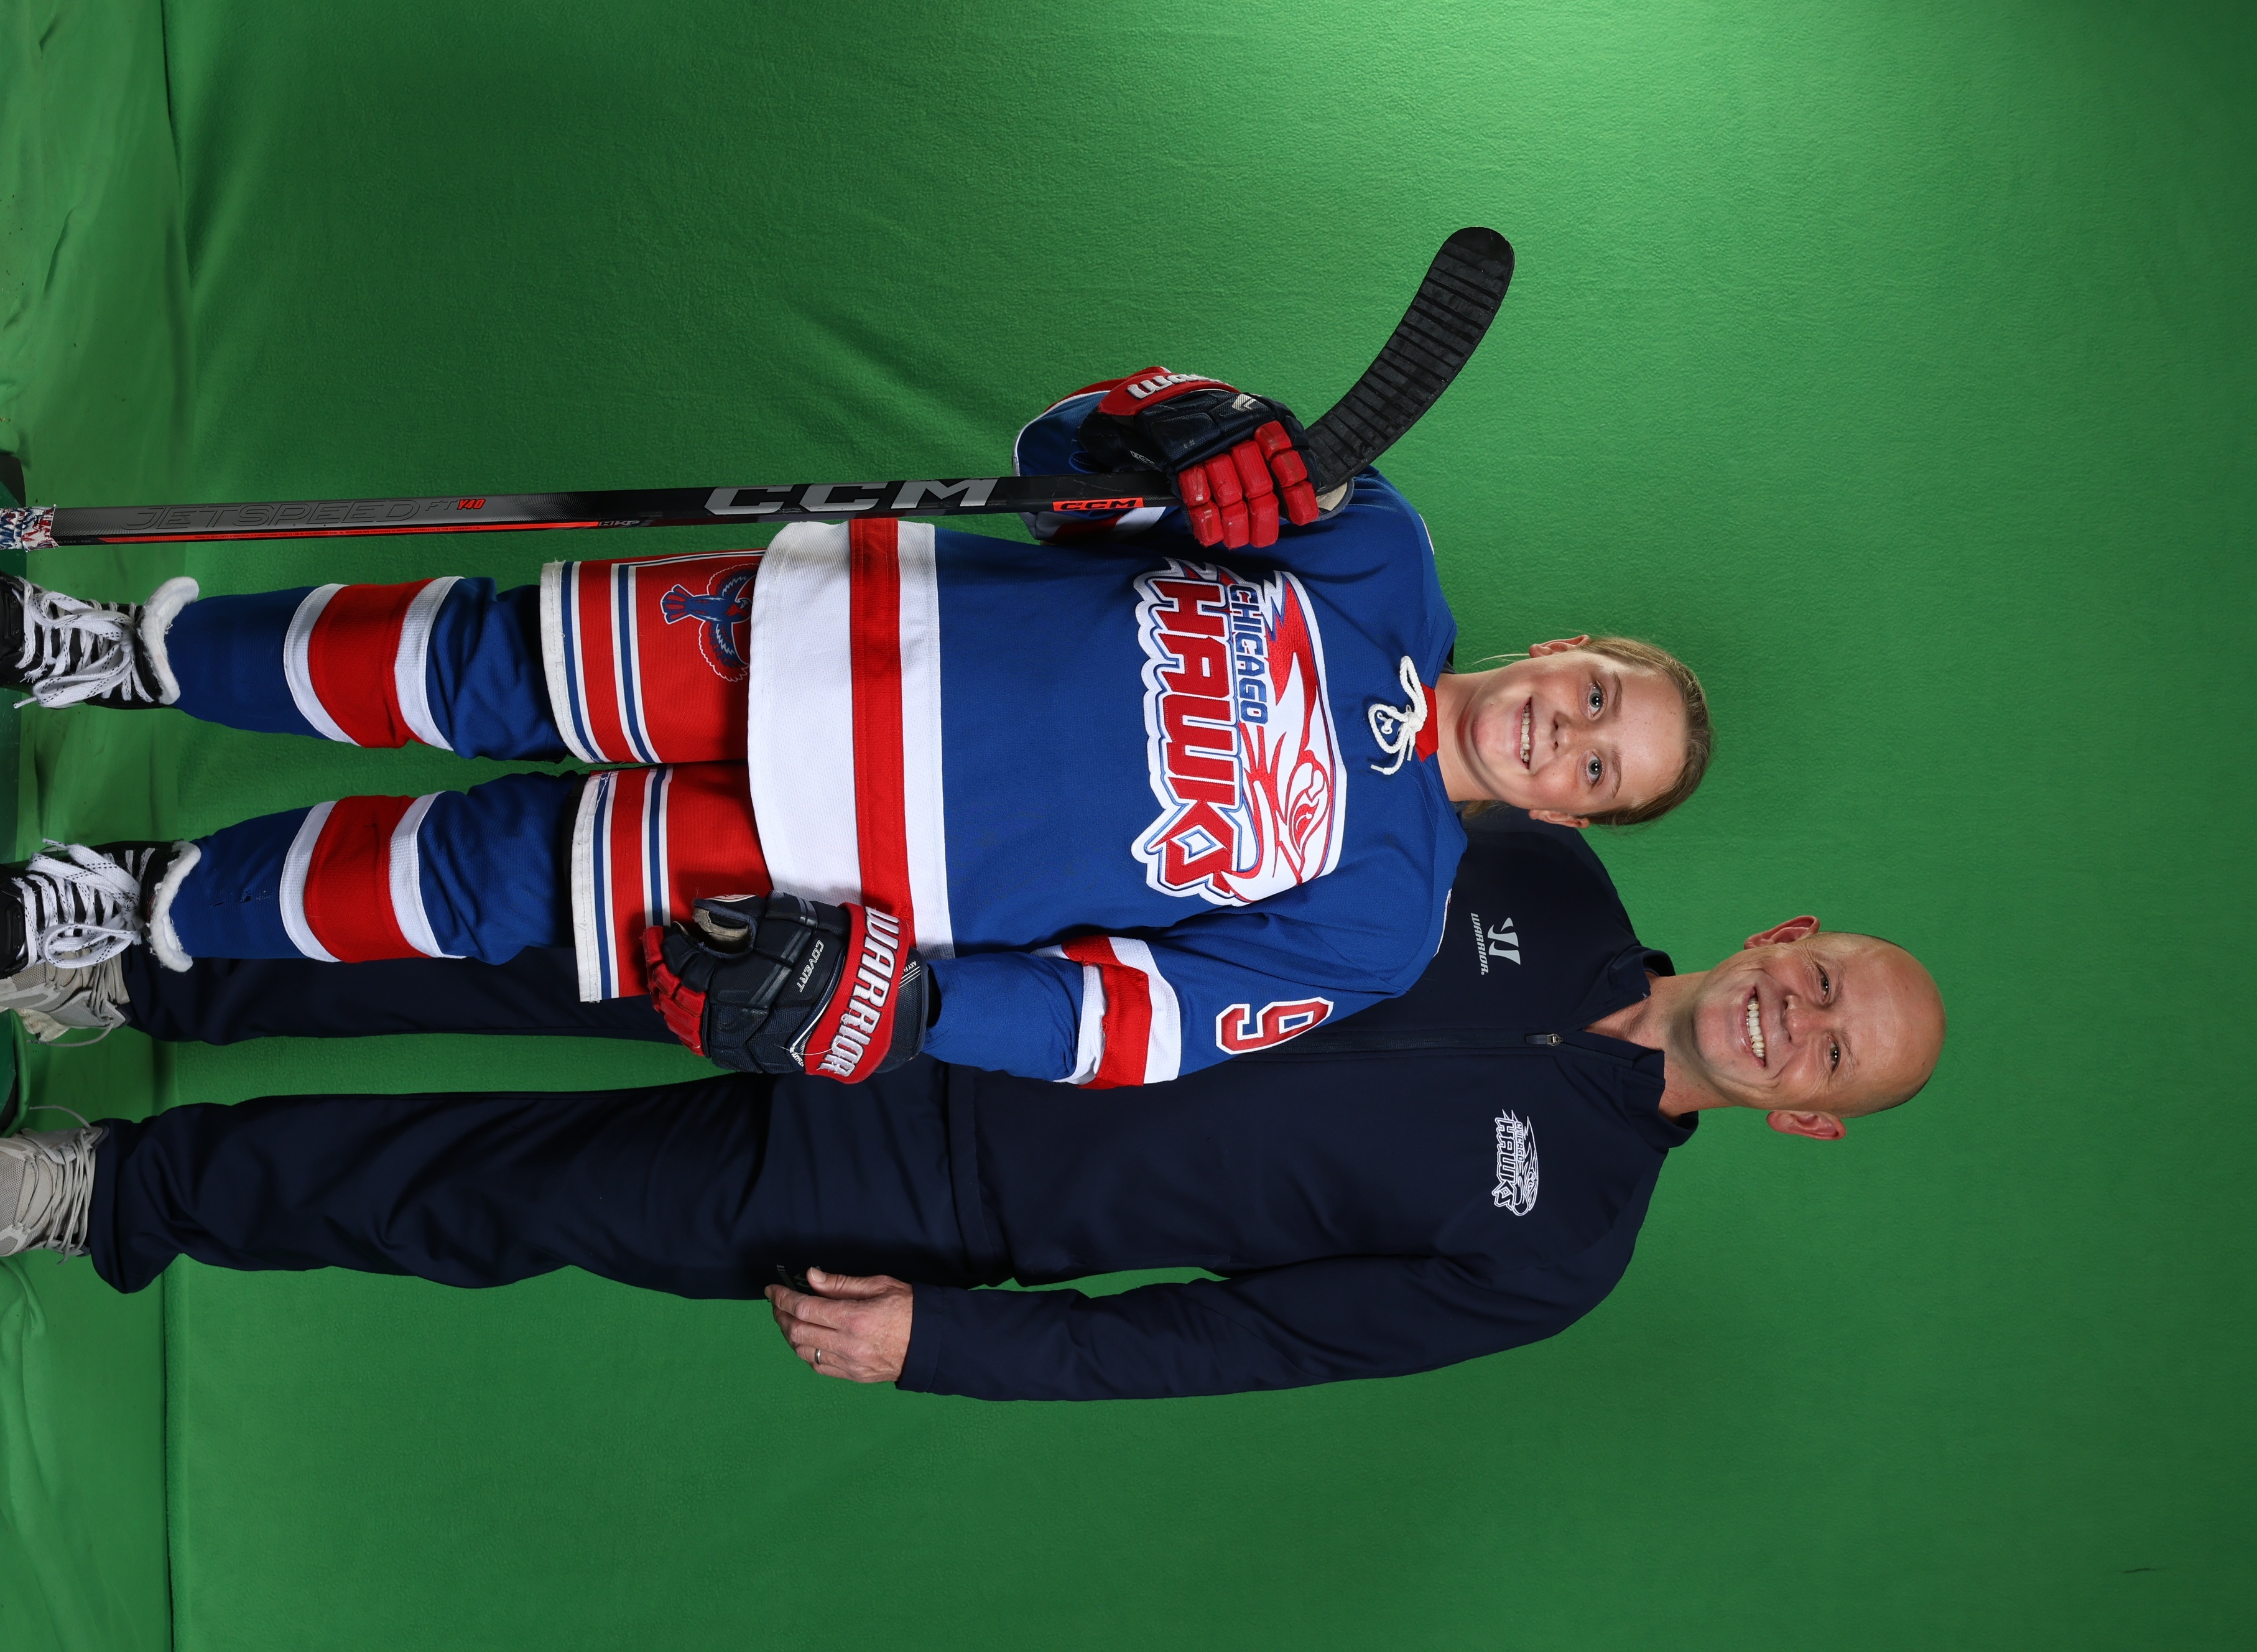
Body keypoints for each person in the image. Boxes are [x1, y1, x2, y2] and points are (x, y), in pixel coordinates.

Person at [0, 371, 1710, 1087]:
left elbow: (1140, 1025)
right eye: (1600, 695)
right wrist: (1181, 427)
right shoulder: (1379, 549)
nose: (1567, 733)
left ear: (1568, 819)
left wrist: (919, 1009)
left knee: (470, 884)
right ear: (1568, 647)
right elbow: (1065, 450)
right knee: (464, 663)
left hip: (820, 870)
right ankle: (117, 653)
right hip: (817, 636)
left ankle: (125, 902)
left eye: (1598, 768)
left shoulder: (1385, 923)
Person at [0, 815, 1944, 1401]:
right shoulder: (1529, 866)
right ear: (1787, 929)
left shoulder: (1562, 1250)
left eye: (1831, 1049)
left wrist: (949, 1346)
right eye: (1823, 976)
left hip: (929, 1191)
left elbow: (1238, 1342)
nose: (1798, 1019)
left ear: (1813, 1120)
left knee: (489, 1197)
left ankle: (101, 1188)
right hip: (922, 966)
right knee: (536, 942)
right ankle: (135, 967)